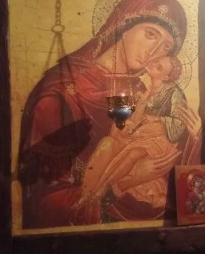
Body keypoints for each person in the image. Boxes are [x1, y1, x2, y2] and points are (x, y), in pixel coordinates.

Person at [17, 0, 202, 229]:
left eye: (166, 47)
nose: (154, 51)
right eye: (150, 34)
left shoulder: (148, 90)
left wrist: (194, 139)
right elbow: (44, 198)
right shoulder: (63, 93)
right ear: (123, 25)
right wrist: (124, 183)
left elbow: (178, 175)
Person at [75, 55, 189, 222]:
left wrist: (158, 119)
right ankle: (89, 195)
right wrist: (130, 122)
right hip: (139, 136)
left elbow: (180, 124)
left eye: (159, 67)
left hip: (158, 141)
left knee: (133, 152)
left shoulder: (173, 93)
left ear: (166, 77)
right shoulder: (139, 87)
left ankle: (102, 190)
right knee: (107, 144)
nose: (153, 64)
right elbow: (127, 122)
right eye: (156, 61)